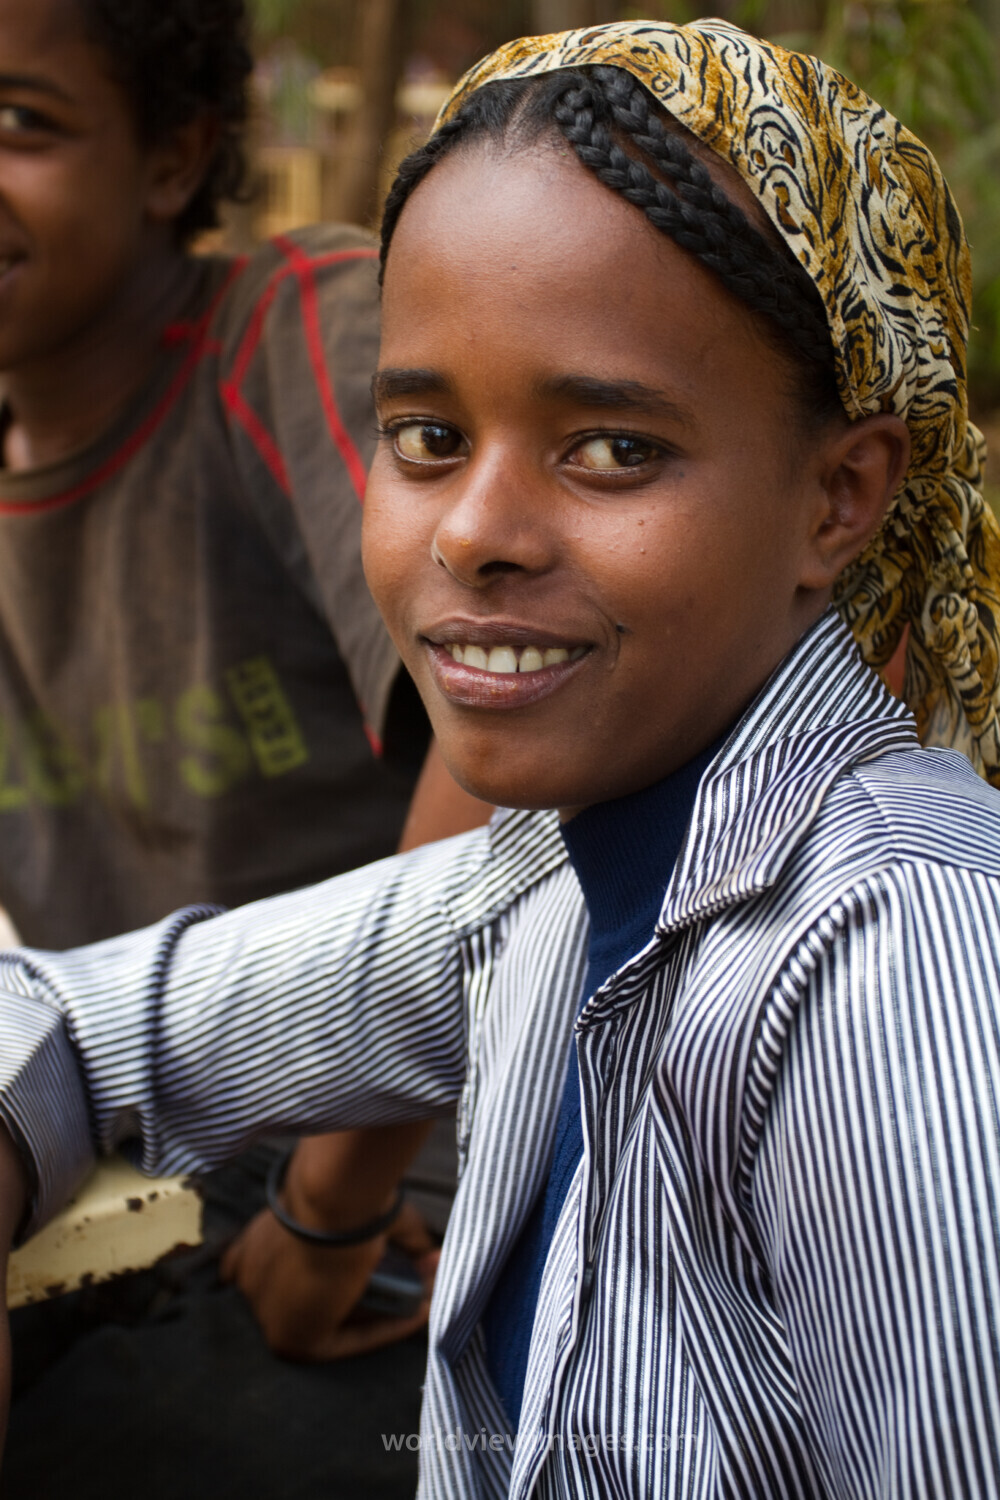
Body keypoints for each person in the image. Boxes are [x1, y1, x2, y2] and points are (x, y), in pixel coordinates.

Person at [2, 15, 1000, 1496]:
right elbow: (94, 1023)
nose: (473, 530)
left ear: (838, 497)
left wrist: (328, 1212)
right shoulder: (545, 878)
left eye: (613, 449)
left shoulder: (884, 969)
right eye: (425, 435)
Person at [0, 0, 486, 1493]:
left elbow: (520, 740)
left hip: (414, 1191)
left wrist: (337, 1204)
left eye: (20, 122)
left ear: (174, 155)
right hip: (128, 1172)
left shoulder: (295, 336)